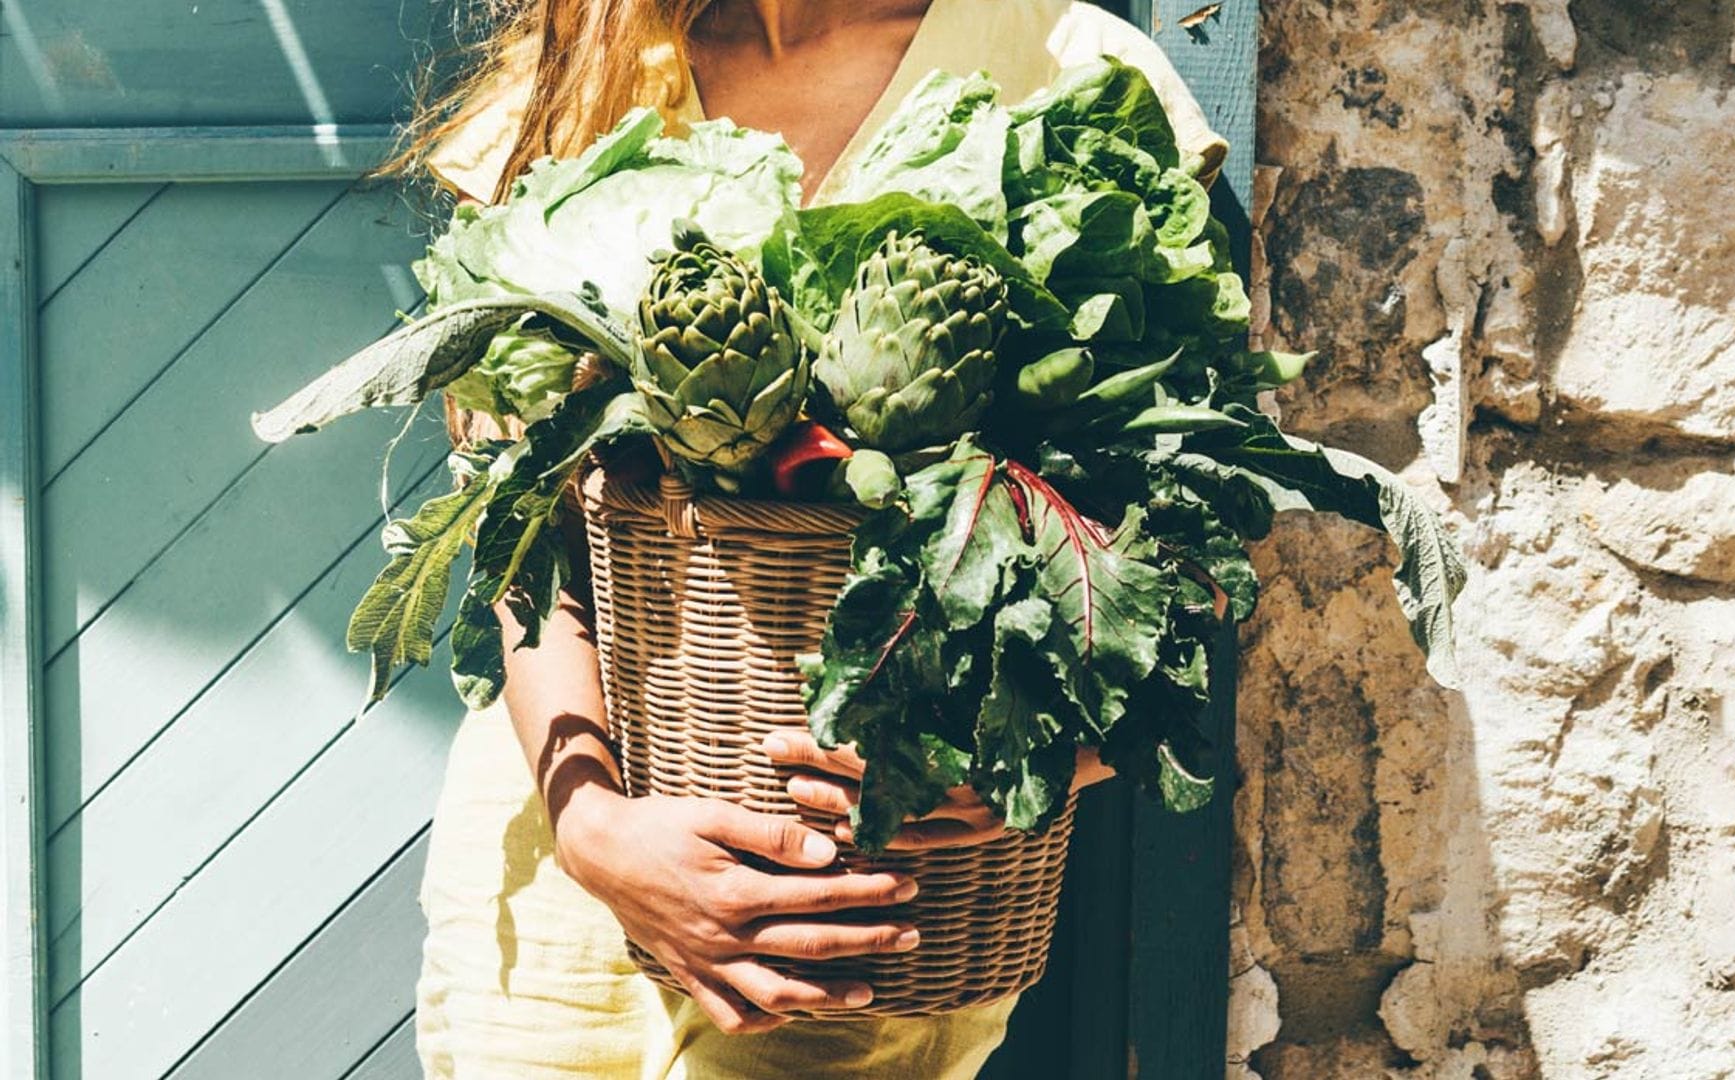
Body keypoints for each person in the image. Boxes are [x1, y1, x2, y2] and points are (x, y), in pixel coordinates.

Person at [399, 1, 1227, 1075]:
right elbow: (515, 529)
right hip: (558, 889)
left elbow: (1189, 538)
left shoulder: (1066, 62)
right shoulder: (574, 68)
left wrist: (1038, 762)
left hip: (848, 920)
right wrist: (593, 828)